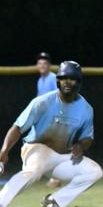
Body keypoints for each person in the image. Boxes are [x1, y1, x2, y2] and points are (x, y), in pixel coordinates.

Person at [0, 61, 103, 207]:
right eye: (63, 78)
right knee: (33, 171)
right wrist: (4, 152)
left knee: (95, 172)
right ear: (58, 80)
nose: (67, 82)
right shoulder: (43, 102)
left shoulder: (86, 109)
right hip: (37, 149)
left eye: (72, 78)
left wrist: (81, 145)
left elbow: (88, 137)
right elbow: (17, 128)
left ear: (79, 82)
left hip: (63, 158)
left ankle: (55, 201)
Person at [35, 52, 61, 188]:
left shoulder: (52, 78)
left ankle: (56, 177)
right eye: (40, 63)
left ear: (49, 65)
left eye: (45, 63)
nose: (42, 66)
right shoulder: (40, 80)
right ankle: (55, 176)